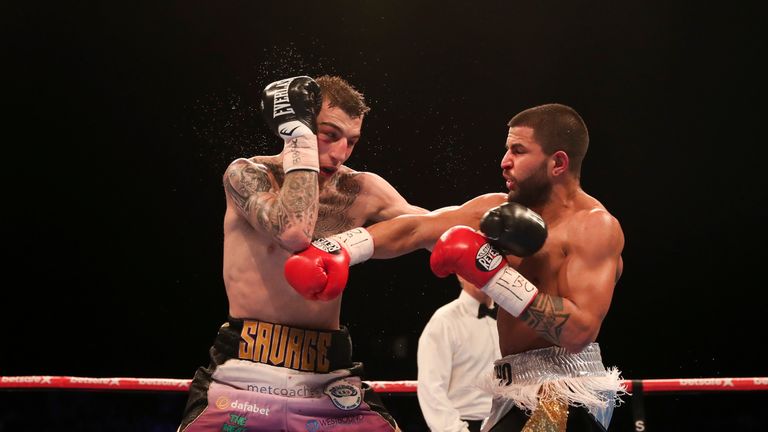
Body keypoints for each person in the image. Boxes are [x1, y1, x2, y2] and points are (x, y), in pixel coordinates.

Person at [286, 103, 626, 431]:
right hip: (514, 388)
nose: (504, 162)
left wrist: (494, 276)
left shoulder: (593, 227)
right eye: (507, 150)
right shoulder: (498, 208)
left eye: (519, 151)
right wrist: (338, 250)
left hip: (561, 390)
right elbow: (415, 228)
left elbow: (579, 333)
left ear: (558, 163)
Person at [177, 75, 427, 432]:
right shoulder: (248, 175)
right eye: (329, 134)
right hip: (242, 372)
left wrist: (509, 218)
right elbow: (293, 231)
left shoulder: (360, 189)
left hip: (328, 375)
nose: (340, 154)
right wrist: (300, 139)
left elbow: (432, 225)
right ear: (301, 126)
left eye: (351, 142)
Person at [417, 275, 500, 432]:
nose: (479, 275)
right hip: (463, 424)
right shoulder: (444, 321)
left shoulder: (508, 318)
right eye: (472, 268)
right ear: (460, 275)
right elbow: (431, 387)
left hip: (507, 422)